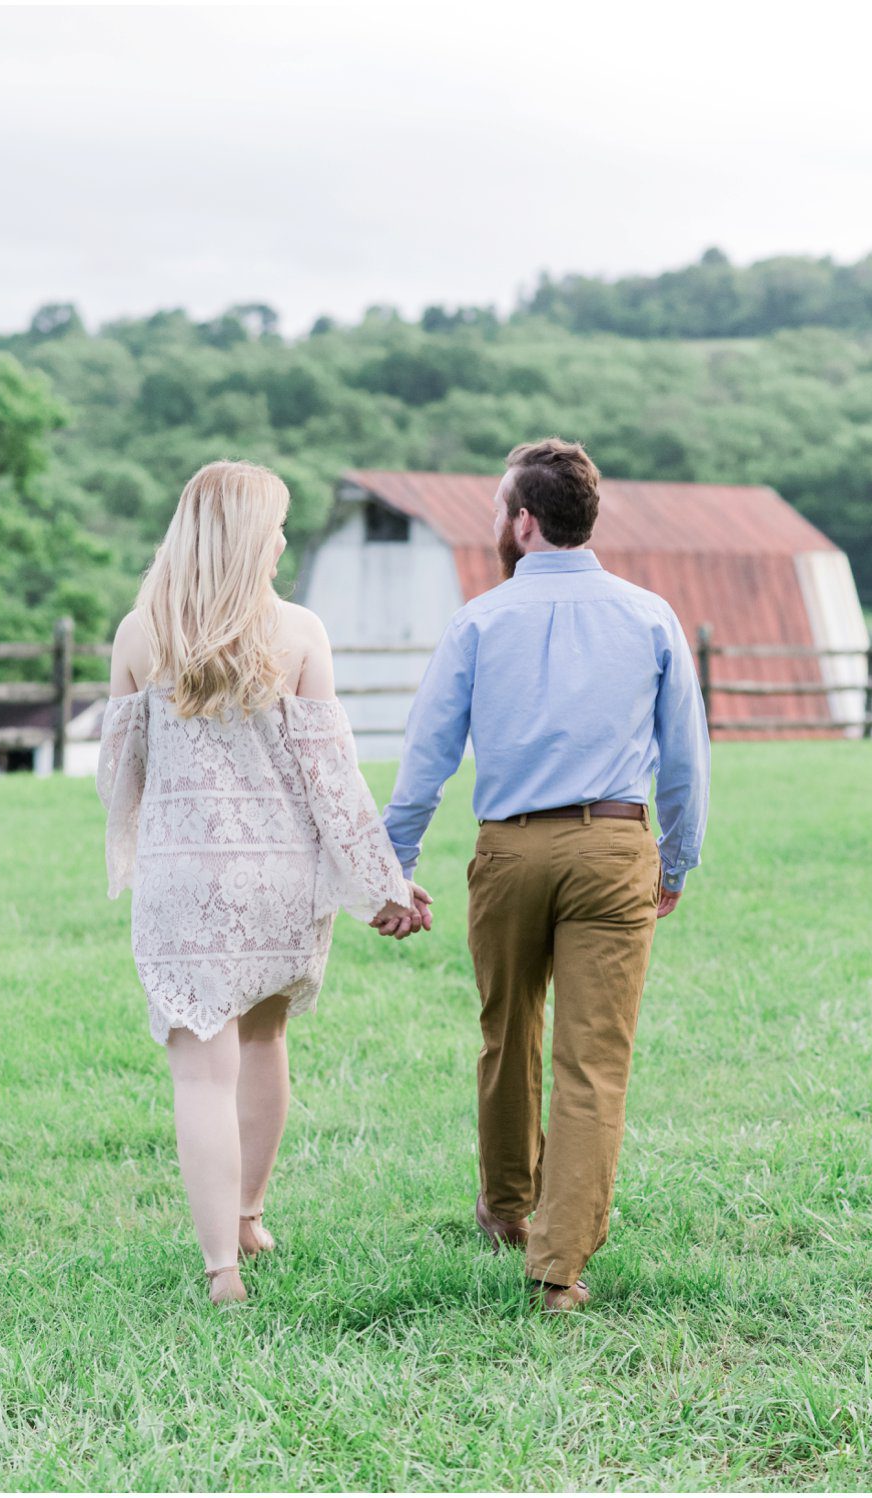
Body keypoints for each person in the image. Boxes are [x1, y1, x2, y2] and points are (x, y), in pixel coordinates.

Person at [380, 437, 710, 1313]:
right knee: (593, 1061)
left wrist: (393, 863)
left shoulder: (479, 622)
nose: (496, 522)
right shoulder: (650, 616)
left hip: (510, 850)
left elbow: (426, 761)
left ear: (525, 524)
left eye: (499, 509)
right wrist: (675, 861)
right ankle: (558, 1268)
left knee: (508, 1033)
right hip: (613, 847)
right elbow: (685, 761)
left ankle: (505, 1209)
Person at [98, 460, 431, 1306]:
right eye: (278, 525)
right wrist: (384, 883)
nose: (284, 538)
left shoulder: (139, 636)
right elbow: (334, 777)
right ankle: (249, 1212)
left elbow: (119, 776)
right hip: (279, 881)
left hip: (184, 882)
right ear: (251, 537)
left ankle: (223, 1270)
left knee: (199, 1075)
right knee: (265, 1042)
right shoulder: (300, 633)